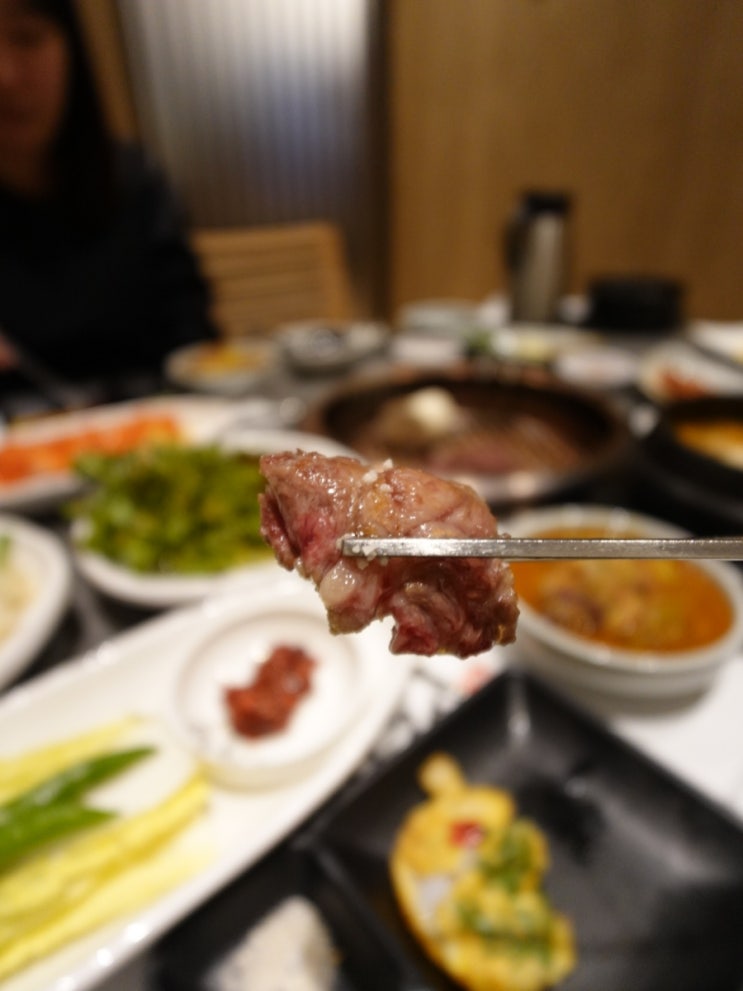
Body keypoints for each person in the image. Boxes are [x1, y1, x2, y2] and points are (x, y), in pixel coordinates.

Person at [0, 0, 217, 388]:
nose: (6, 77)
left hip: (168, 411)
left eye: (27, 38)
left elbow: (192, 341)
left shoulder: (137, 183)